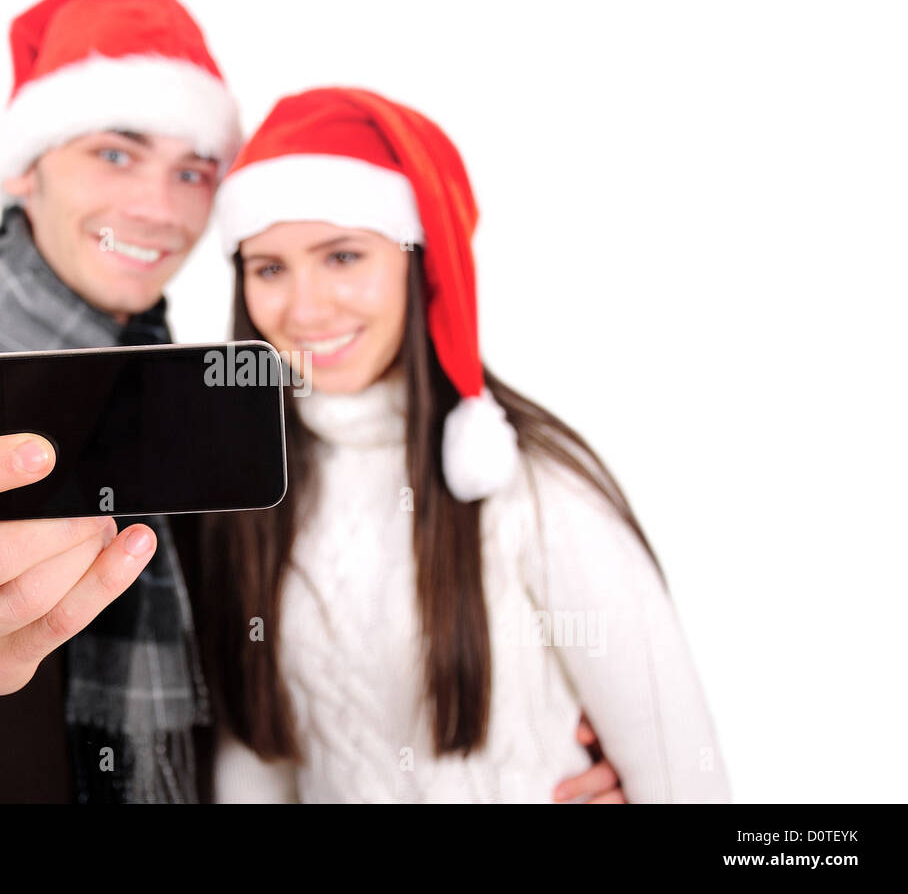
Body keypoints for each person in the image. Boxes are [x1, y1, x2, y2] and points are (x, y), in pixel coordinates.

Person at [0, 0, 626, 804]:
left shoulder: (214, 407)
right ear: (22, 169)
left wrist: (553, 739)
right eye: (114, 153)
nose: (157, 207)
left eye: (193, 172)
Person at [199, 86, 731, 802]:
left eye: (344, 256)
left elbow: (681, 767)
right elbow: (257, 765)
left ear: (418, 263)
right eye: (270, 268)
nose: (305, 308)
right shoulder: (254, 493)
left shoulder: (527, 483)